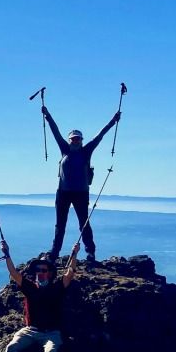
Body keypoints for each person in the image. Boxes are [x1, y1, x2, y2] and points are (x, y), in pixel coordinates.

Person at [42, 104, 121, 262]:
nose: (75, 141)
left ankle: (90, 252)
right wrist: (48, 115)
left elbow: (100, 135)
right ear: (70, 140)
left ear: (81, 140)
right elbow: (55, 131)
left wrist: (113, 121)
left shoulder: (87, 151)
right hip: (63, 193)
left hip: (80, 193)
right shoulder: (64, 148)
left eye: (77, 139)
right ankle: (54, 253)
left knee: (84, 224)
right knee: (60, 225)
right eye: (73, 139)